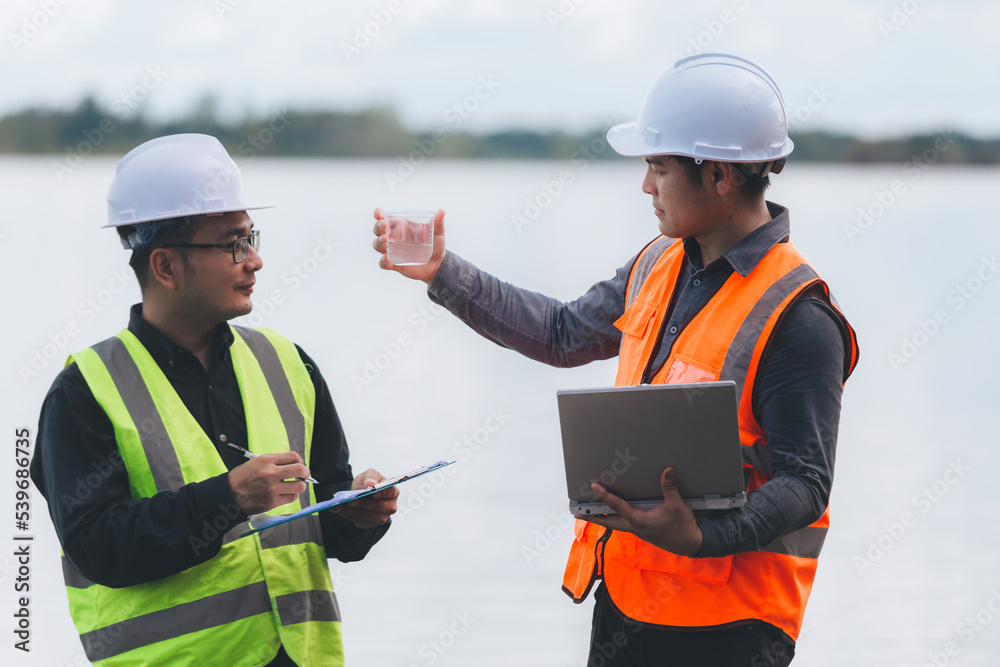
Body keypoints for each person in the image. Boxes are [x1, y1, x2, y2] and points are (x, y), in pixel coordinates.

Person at [371, 53, 859, 666]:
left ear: (719, 176)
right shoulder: (659, 262)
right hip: (627, 605)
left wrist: (703, 536)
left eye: (658, 167)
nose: (646, 186)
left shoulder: (800, 316)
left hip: (729, 630)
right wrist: (442, 272)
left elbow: (805, 483)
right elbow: (561, 333)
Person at [31, 133, 398, 667]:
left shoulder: (287, 363)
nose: (256, 261)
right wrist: (228, 498)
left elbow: (325, 518)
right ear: (165, 267)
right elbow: (98, 547)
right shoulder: (84, 391)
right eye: (234, 245)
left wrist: (360, 515)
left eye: (251, 238)